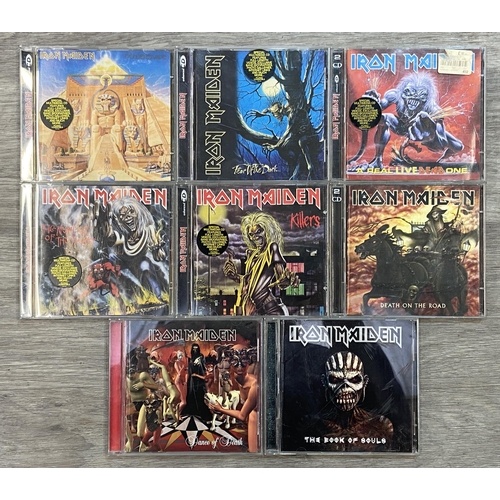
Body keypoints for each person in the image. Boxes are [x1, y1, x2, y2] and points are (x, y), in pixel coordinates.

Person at [223, 212, 298, 315]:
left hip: (270, 310)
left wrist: (285, 281)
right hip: (255, 310)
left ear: (266, 231)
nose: (255, 237)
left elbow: (281, 278)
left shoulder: (271, 248)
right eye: (251, 234)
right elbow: (249, 281)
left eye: (259, 232)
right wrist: (234, 276)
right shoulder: (251, 254)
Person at [207, 346, 259, 452]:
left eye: (243, 361)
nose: (239, 366)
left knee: (254, 452)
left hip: (257, 418)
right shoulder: (235, 378)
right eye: (235, 361)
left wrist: (221, 409)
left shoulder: (255, 385)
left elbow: (242, 415)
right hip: (250, 417)